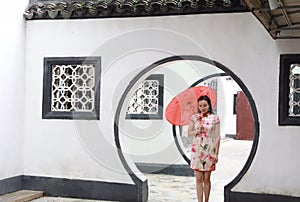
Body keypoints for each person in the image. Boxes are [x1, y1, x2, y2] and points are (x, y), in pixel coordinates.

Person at [188, 95, 220, 202]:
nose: (203, 107)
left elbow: (217, 136)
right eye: (200, 105)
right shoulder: (194, 118)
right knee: (198, 179)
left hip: (209, 150)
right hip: (197, 151)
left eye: (205, 105)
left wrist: (216, 153)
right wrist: (198, 130)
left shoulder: (215, 119)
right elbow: (189, 133)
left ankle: (206, 200)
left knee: (207, 178)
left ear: (209, 105)